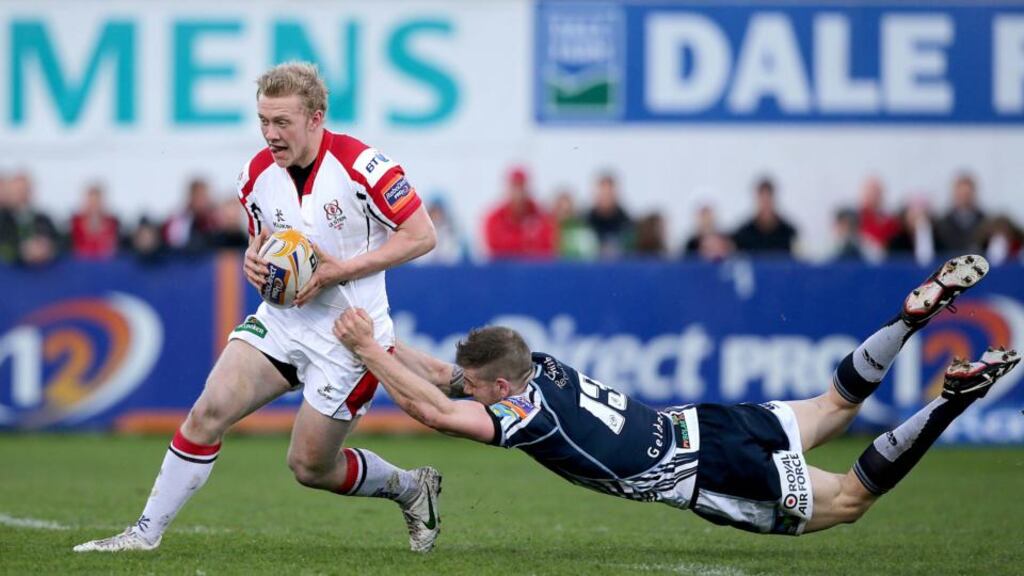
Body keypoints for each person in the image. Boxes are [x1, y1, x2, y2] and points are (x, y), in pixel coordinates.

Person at [334, 255, 1019, 538]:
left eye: (485, 391)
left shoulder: (523, 413)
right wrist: (386, 346)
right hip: (702, 424)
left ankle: (952, 399)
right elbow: (452, 383)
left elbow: (434, 409)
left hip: (708, 473)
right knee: (833, 405)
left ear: (505, 390)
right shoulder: (538, 365)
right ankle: (908, 322)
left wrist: (369, 353)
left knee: (851, 501)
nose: (475, 394)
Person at [74, 62, 442, 554]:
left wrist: (340, 270)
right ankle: (144, 535)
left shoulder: (365, 167)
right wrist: (254, 262)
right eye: (264, 121)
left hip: (351, 335)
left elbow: (422, 236)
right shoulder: (254, 176)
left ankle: (409, 487)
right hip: (285, 323)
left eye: (282, 122)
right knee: (208, 410)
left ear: (316, 117)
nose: (270, 134)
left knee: (309, 467)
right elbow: (263, 245)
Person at [483, 166, 557, 260]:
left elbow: (547, 248)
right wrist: (527, 241)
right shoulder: (494, 218)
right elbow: (498, 249)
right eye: (515, 187)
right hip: (504, 272)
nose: (519, 193)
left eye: (521, 187)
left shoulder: (541, 215)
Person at [731, 177, 797, 256]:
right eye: (762, 199)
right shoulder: (744, 234)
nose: (765, 204)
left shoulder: (788, 233)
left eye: (768, 199)